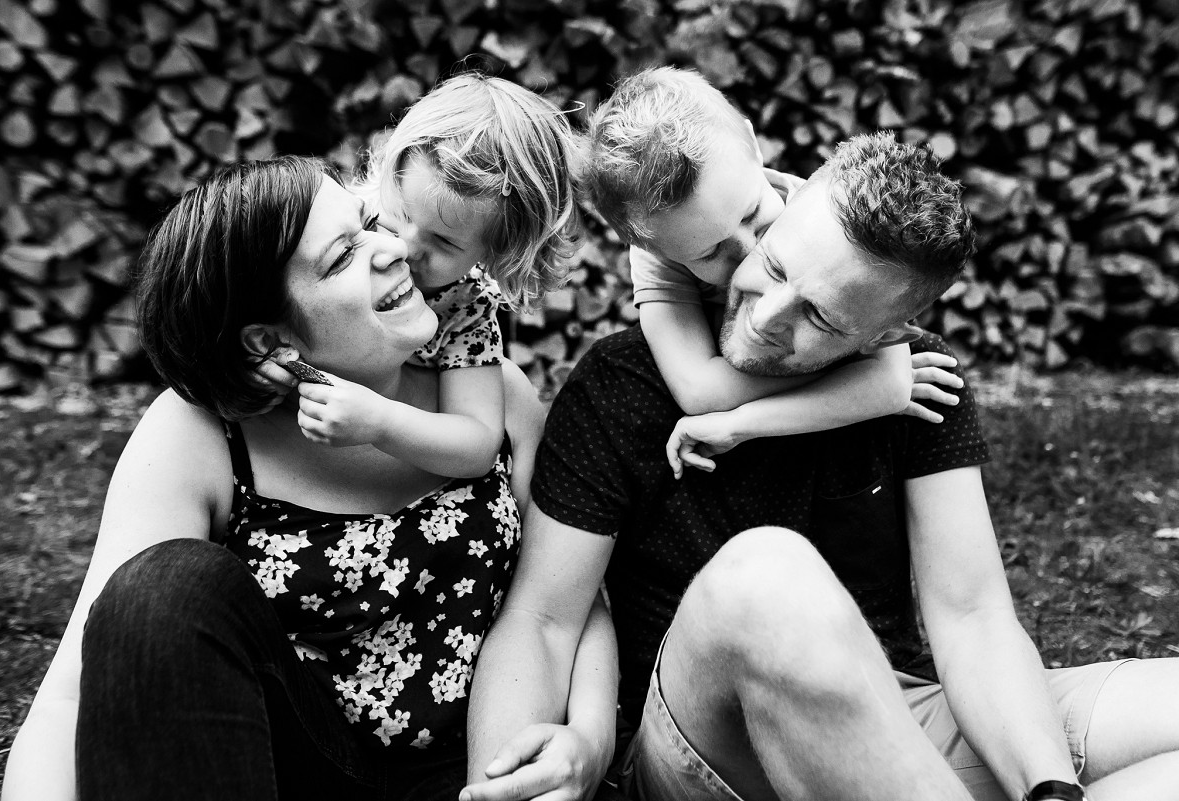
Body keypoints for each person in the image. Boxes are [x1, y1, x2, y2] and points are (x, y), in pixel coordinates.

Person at [464, 129, 1179, 801]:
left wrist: (1049, 786)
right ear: (779, 208)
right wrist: (506, 776)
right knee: (767, 577)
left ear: (889, 336)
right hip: (696, 749)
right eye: (774, 264)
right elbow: (545, 618)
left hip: (892, 718)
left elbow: (973, 616)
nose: (766, 315)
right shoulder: (621, 386)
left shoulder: (919, 383)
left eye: (823, 319)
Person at [0, 156, 617, 801]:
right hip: (287, 771)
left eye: (370, 223)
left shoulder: (490, 401)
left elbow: (572, 596)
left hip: (472, 777)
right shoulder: (201, 435)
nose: (394, 249)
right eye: (342, 257)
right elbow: (80, 689)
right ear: (270, 340)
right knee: (158, 588)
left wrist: (591, 740)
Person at [583, 67, 960, 478]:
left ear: (751, 142)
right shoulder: (658, 250)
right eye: (710, 252)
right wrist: (850, 378)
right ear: (649, 247)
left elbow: (887, 386)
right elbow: (699, 391)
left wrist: (741, 425)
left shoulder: (824, 218)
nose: (749, 253)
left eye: (753, 215)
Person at [252, 73, 580, 481]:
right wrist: (253, 361)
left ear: (498, 252)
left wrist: (382, 423)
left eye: (443, 242)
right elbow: (265, 288)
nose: (404, 247)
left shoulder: (466, 308)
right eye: (402, 214)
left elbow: (478, 444)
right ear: (393, 173)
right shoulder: (347, 222)